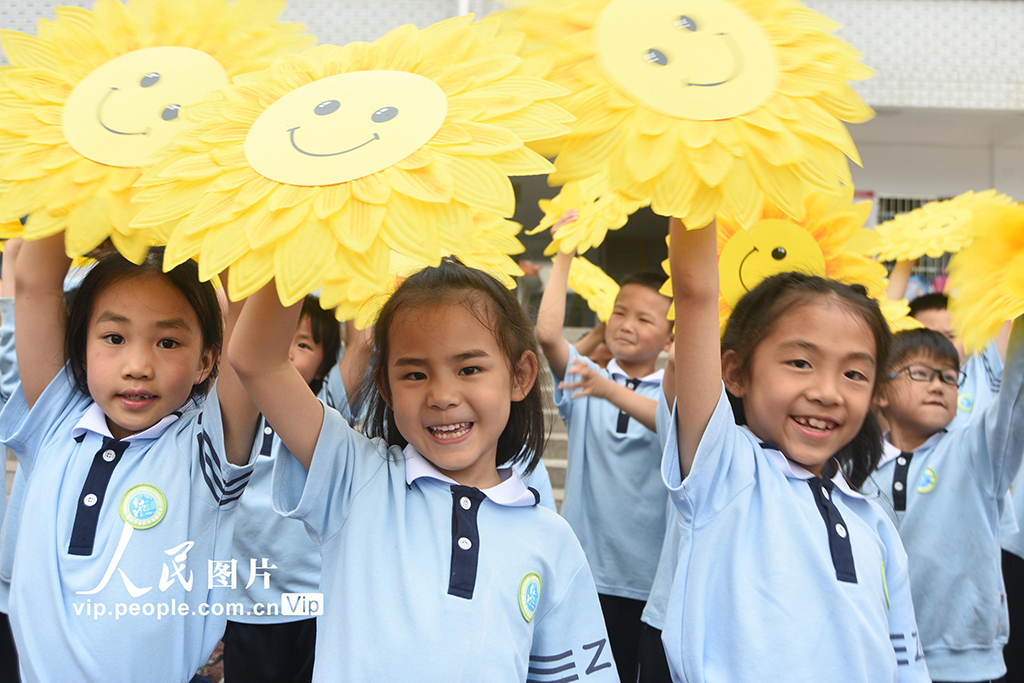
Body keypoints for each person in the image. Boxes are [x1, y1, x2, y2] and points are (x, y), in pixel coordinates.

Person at [228, 259, 618, 681]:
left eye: (469, 368)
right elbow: (257, 359)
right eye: (415, 373)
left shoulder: (553, 541)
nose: (443, 395)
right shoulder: (354, 476)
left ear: (521, 376)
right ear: (386, 389)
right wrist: (302, 217)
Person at [663, 218, 929, 682]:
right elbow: (694, 291)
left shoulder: (874, 522)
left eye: (854, 374)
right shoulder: (726, 470)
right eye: (801, 362)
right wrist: (695, 169)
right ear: (736, 373)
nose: (828, 391)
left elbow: (904, 657)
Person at [0, 235, 261, 682]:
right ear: (81, 346)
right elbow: (35, 282)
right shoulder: (56, 420)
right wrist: (102, 205)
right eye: (115, 337)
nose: (137, 364)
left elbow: (251, 302)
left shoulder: (207, 449)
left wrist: (194, 224)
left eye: (168, 342)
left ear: (206, 362)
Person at [536, 213, 673, 681]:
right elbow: (549, 335)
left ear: (672, 336)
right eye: (619, 312)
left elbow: (667, 422)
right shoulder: (584, 380)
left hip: (651, 583)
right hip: (585, 574)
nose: (626, 324)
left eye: (644, 318)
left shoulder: (671, 392)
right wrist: (565, 253)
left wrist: (606, 387)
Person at [870, 324, 1024, 682]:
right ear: (879, 393)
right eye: (921, 373)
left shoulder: (976, 453)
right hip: (880, 660)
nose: (938, 385)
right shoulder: (851, 467)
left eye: (950, 377)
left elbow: (1015, 400)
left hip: (965, 666)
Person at [223, 295, 348, 683]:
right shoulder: (230, 407)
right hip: (246, 604)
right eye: (280, 337)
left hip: (314, 604)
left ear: (326, 360)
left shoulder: (330, 405)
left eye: (304, 343)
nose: (286, 350)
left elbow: (363, 341)